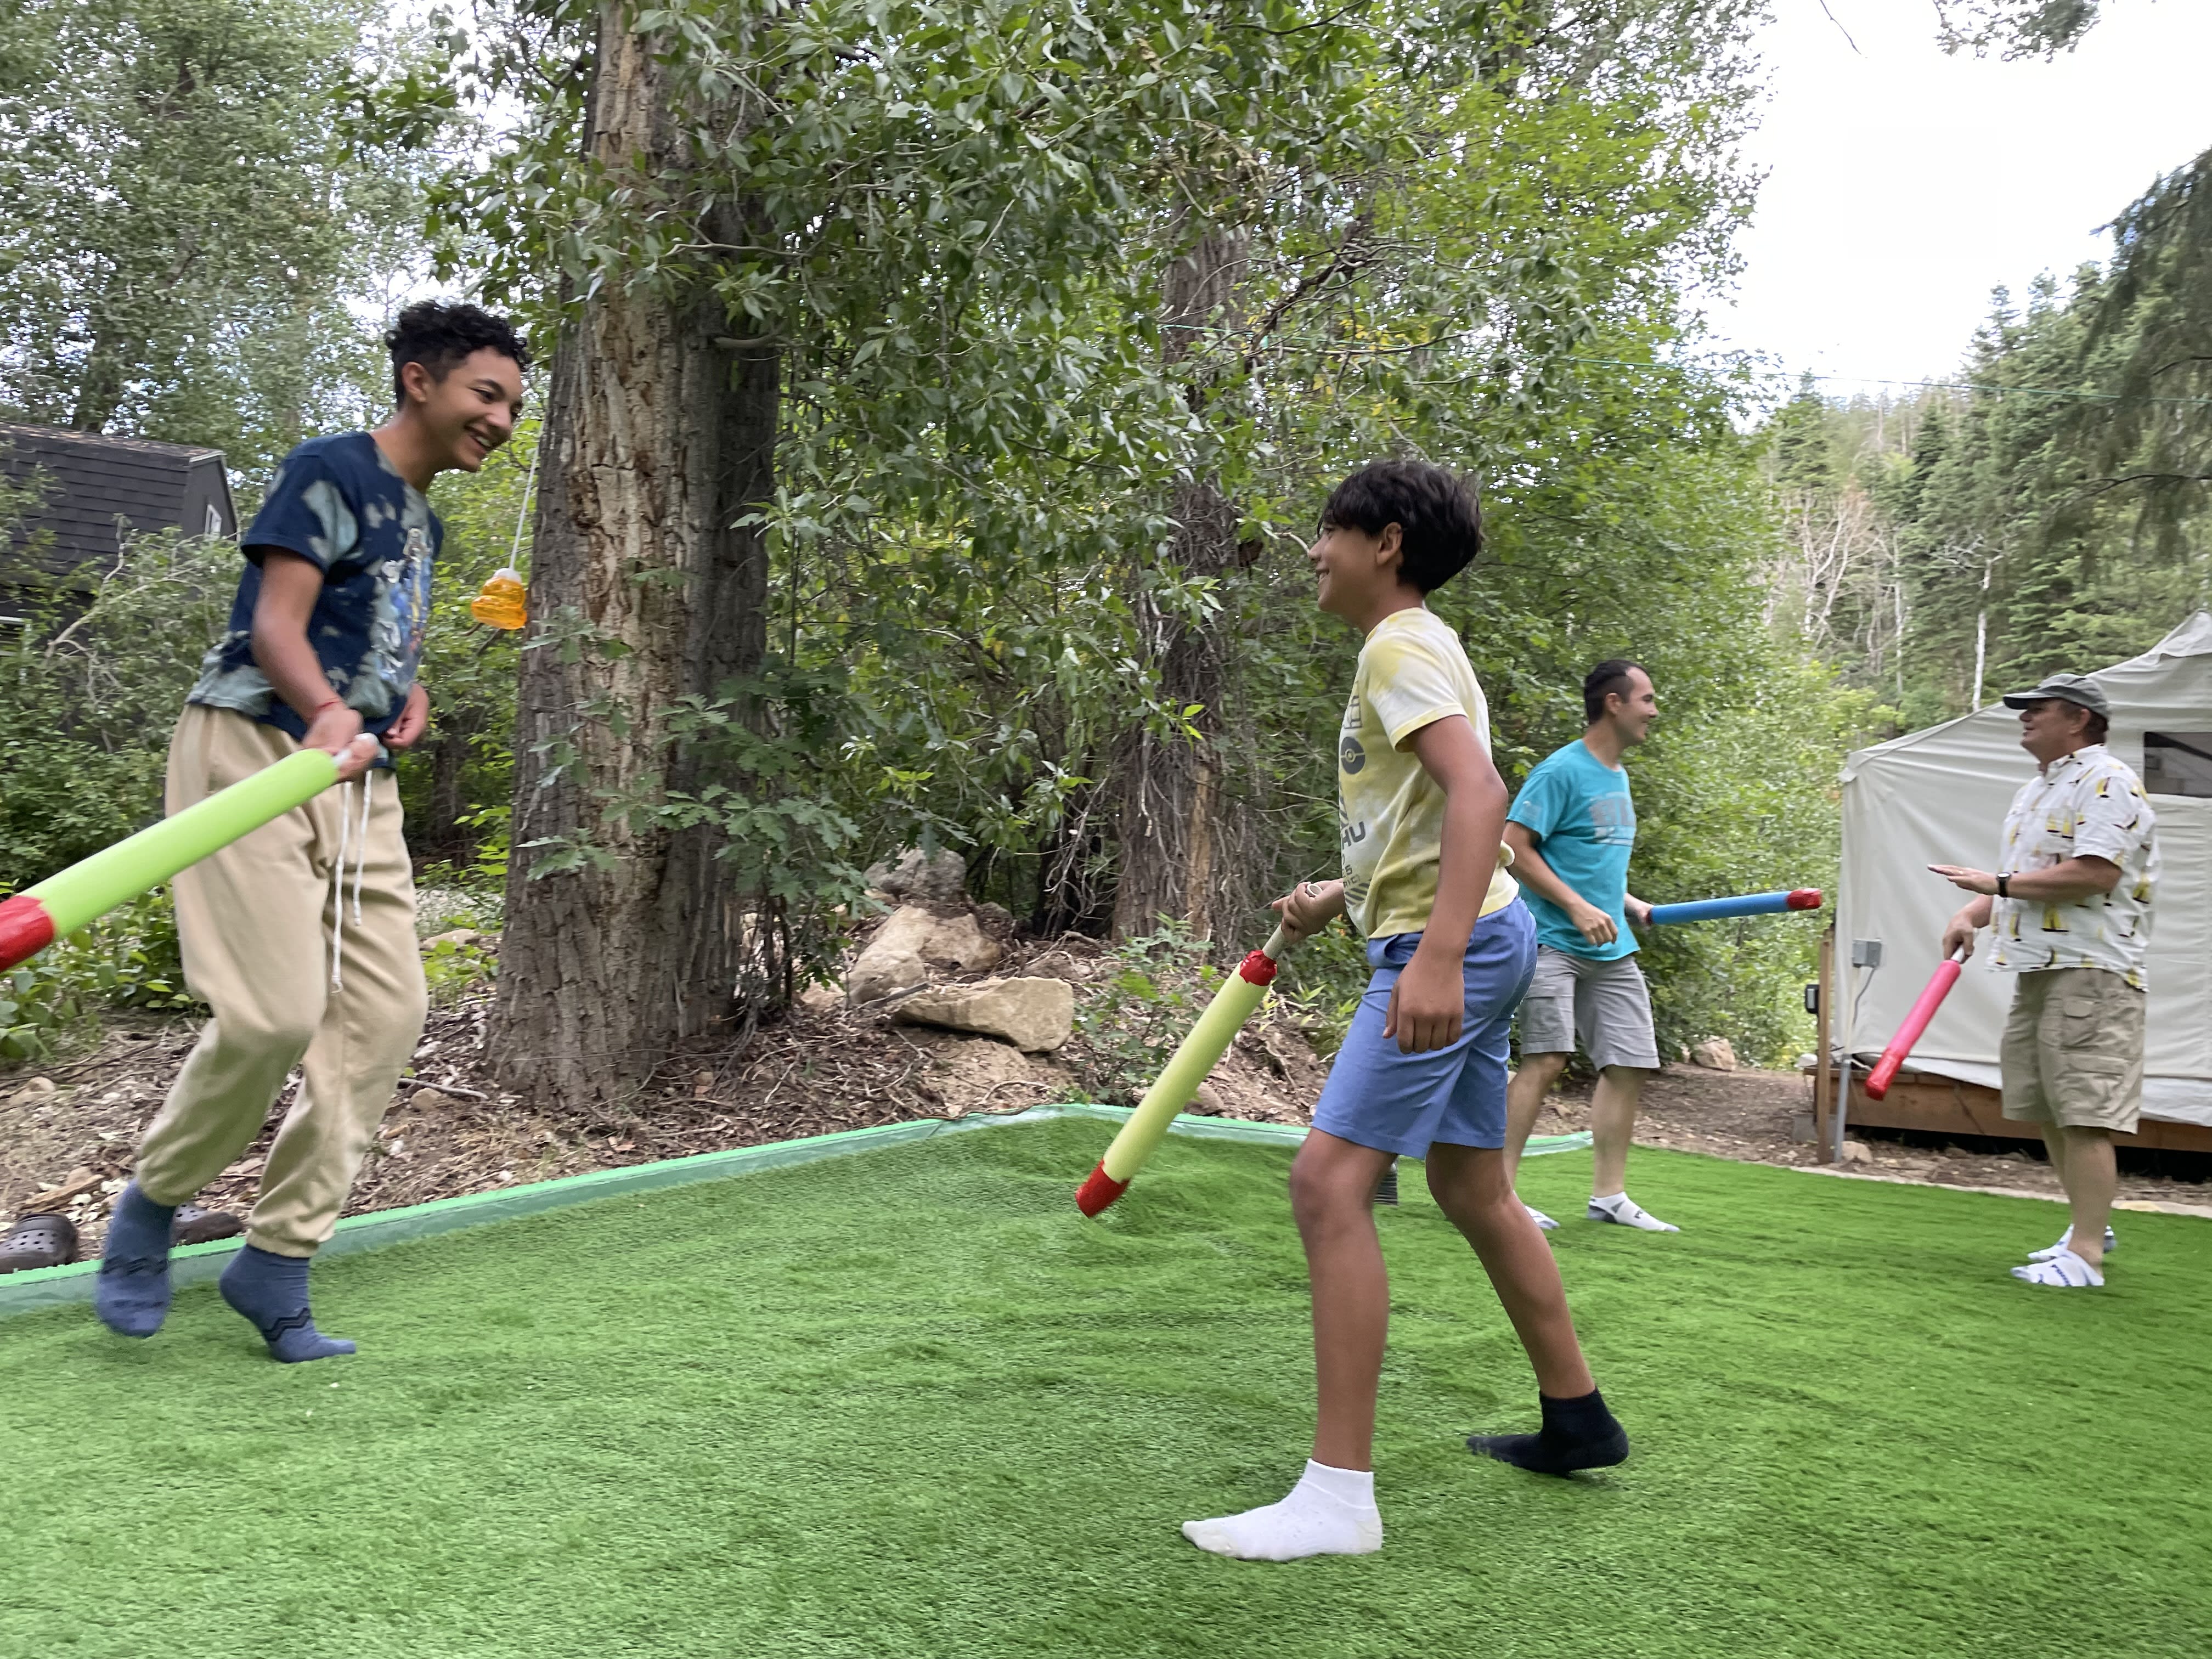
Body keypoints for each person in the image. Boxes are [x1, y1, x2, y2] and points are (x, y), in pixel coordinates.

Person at [1182, 461, 1625, 1565]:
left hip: (1459, 942)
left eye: (1325, 532)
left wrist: (1432, 954)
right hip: (1478, 930)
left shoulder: (1398, 642)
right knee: (1472, 1184)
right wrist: (1352, 889)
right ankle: (1578, 1417)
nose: (1312, 552)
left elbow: (1479, 793)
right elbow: (1431, 804)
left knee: (1328, 1182)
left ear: (1384, 542)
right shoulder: (1419, 645)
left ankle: (1339, 1498)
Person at [94, 300, 527, 1361]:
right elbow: (275, 626)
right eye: (487, 394)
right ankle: (154, 1200)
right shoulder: (327, 469)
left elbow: (366, 627)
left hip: (355, 775)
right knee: (273, 1014)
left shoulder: (424, 519)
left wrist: (398, 690)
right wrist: (327, 708)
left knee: (386, 1012)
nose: (503, 420)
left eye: (514, 405)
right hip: (254, 748)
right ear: (419, 381)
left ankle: (276, 1255)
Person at [1931, 673, 2157, 1290]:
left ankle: (2085, 1257)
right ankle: (2088, 1229)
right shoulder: (2039, 788)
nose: (2025, 718)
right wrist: (1972, 913)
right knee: (2052, 1109)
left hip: (2093, 971)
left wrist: (1994, 889)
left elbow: (2094, 874)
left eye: (2038, 709)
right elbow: (2025, 875)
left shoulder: (2106, 780)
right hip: (2040, 967)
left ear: (2079, 719)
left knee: (2084, 1112)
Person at [1498, 660, 1673, 1232]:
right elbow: (1514, 847)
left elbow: (1591, 860)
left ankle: (1609, 1197)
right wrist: (1574, 906)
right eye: (1647, 698)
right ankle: (1498, 1195)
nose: (1654, 709)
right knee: (1546, 1059)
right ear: (1615, 704)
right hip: (1552, 938)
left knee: (1629, 1064)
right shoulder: (1561, 771)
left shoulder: (1618, 775)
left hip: (1612, 946)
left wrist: (1629, 902)